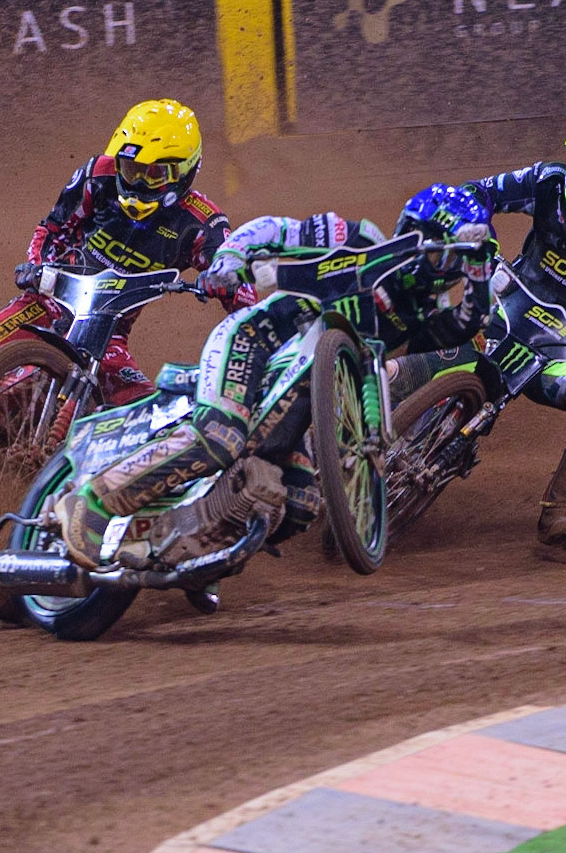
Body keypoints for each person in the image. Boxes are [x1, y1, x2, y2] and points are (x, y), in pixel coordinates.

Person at [53, 185, 497, 578]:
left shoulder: (421, 310)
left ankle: (173, 550)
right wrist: (229, 260)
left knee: (300, 503)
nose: (449, 269)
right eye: (447, 255)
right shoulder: (359, 239)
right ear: (416, 234)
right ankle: (94, 502)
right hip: (254, 342)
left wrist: (479, 266)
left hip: (295, 411)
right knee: (221, 438)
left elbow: (467, 322)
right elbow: (274, 230)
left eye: (459, 263)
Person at [387, 105, 566, 550]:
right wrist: (474, 227)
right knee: (408, 340)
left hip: (563, 354)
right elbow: (477, 192)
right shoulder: (548, 183)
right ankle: (334, 414)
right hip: (499, 313)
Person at [14, 98, 255, 406]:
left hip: (107, 336)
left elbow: (242, 293)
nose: (138, 182)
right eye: (130, 170)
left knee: (148, 412)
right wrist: (37, 269)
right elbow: (51, 229)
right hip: (47, 303)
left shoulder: (201, 223)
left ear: (183, 173)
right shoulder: (99, 176)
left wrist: (225, 280)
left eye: (153, 174)